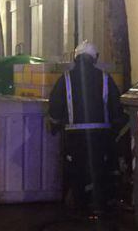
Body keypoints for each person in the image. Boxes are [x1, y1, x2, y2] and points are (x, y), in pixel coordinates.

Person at [48, 41, 127, 214]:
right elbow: (116, 106)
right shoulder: (105, 78)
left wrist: (54, 125)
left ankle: (79, 206)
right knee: (99, 168)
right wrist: (116, 129)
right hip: (100, 134)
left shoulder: (66, 79)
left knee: (76, 169)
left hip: (74, 135)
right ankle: (98, 204)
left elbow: (55, 105)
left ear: (76, 58)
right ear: (94, 58)